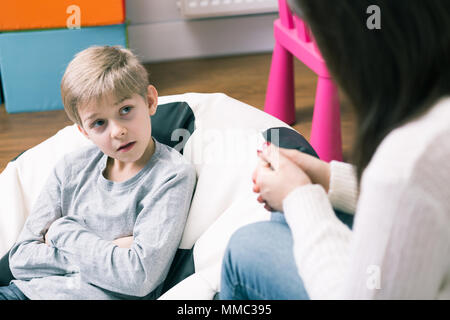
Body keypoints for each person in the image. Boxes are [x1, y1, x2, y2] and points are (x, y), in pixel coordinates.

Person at [220, 0, 450, 299]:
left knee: (245, 247)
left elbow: (409, 186)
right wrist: (329, 178)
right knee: (281, 217)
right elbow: (430, 196)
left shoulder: (407, 160)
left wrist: (299, 196)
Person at [0, 45, 197, 300]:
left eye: (125, 110)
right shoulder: (70, 168)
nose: (117, 131)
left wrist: (61, 232)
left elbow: (138, 277)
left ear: (149, 101)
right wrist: (114, 249)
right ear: (84, 131)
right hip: (20, 294)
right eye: (99, 123)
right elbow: (21, 259)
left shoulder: (170, 175)